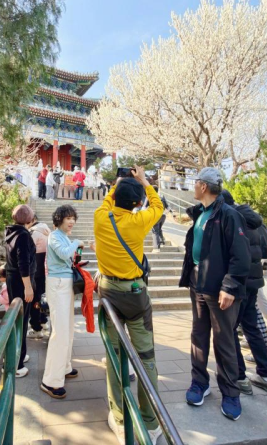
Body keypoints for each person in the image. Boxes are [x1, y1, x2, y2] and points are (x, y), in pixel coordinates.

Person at [94, 165, 164, 444]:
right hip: (135, 294)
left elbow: (108, 199)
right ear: (137, 203)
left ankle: (120, 417)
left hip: (108, 292)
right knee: (146, 358)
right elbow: (158, 205)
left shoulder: (101, 217)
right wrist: (144, 181)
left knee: (114, 356)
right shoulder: (140, 220)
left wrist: (119, 183)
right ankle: (150, 422)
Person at [179, 168, 250, 421]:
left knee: (224, 341)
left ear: (203, 186)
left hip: (221, 288)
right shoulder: (201, 212)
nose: (193, 187)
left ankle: (230, 393)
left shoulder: (228, 214)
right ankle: (199, 383)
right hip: (198, 283)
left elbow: (241, 255)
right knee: (198, 336)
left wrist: (229, 286)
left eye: (195, 183)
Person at [221, 191, 267, 397]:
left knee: (230, 329)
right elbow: (265, 249)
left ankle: (240, 377)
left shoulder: (230, 219)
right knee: (252, 328)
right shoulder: (253, 220)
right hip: (254, 281)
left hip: (235, 283)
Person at [41, 205, 84, 399]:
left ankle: (64, 367)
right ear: (59, 220)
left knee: (67, 329)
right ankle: (50, 380)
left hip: (65, 284)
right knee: (59, 332)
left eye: (73, 218)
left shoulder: (63, 236)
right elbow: (64, 254)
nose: (71, 221)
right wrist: (76, 242)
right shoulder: (54, 236)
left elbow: (69, 257)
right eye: (68, 218)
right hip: (57, 284)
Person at [5, 204, 37, 378]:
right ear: (29, 219)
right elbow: (23, 262)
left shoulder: (10, 232)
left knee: (17, 320)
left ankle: (19, 355)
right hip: (21, 282)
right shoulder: (23, 235)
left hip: (13, 280)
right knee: (21, 322)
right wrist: (28, 287)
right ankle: (15, 364)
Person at [28, 216, 51, 338]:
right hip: (45, 270)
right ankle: (43, 321)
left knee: (35, 299)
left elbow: (28, 252)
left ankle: (36, 328)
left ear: (32, 220)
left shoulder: (33, 233)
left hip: (35, 270)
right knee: (42, 296)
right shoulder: (47, 231)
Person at [151, 185, 174, 251]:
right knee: (159, 229)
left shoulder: (151, 197)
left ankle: (156, 248)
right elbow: (168, 207)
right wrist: (170, 213)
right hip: (163, 216)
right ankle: (162, 242)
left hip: (156, 216)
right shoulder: (162, 197)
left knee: (155, 231)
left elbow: (144, 207)